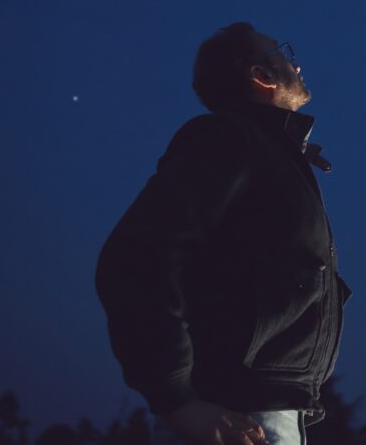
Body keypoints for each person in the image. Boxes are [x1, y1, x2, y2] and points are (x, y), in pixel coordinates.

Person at [95, 23, 349, 445]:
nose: (296, 63)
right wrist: (176, 402)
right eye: (282, 53)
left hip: (267, 414)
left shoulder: (266, 151)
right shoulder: (228, 139)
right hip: (234, 417)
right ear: (261, 76)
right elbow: (135, 258)